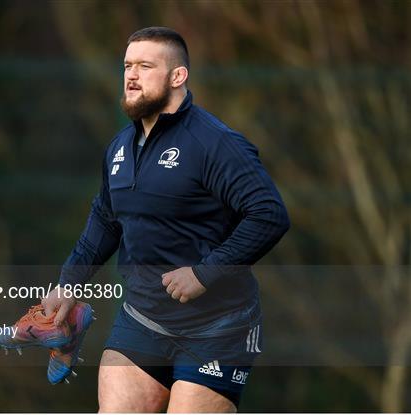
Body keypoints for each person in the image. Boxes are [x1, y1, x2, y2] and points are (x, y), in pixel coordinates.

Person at [43, 26, 290, 413]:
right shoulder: (120, 147)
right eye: (127, 65)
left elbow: (270, 215)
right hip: (142, 319)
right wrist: (69, 282)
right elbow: (106, 220)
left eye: (145, 65)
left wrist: (205, 273)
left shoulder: (215, 143)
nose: (131, 75)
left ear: (178, 76)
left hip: (217, 328)